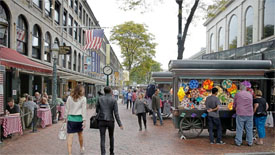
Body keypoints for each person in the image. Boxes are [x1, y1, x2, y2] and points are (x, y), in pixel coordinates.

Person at [96, 86, 123, 155]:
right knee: (111, 136)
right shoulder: (114, 100)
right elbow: (116, 113)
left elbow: (97, 110)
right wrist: (120, 124)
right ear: (110, 91)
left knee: (102, 137)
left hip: (101, 120)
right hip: (110, 120)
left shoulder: (100, 98)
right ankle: (111, 152)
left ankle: (103, 153)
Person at [64, 84, 87, 155]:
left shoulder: (69, 98)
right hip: (79, 119)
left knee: (70, 136)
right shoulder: (83, 98)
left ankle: (70, 153)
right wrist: (84, 120)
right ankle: (81, 147)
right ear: (81, 90)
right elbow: (84, 110)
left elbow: (67, 108)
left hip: (71, 119)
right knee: (80, 134)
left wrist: (65, 118)